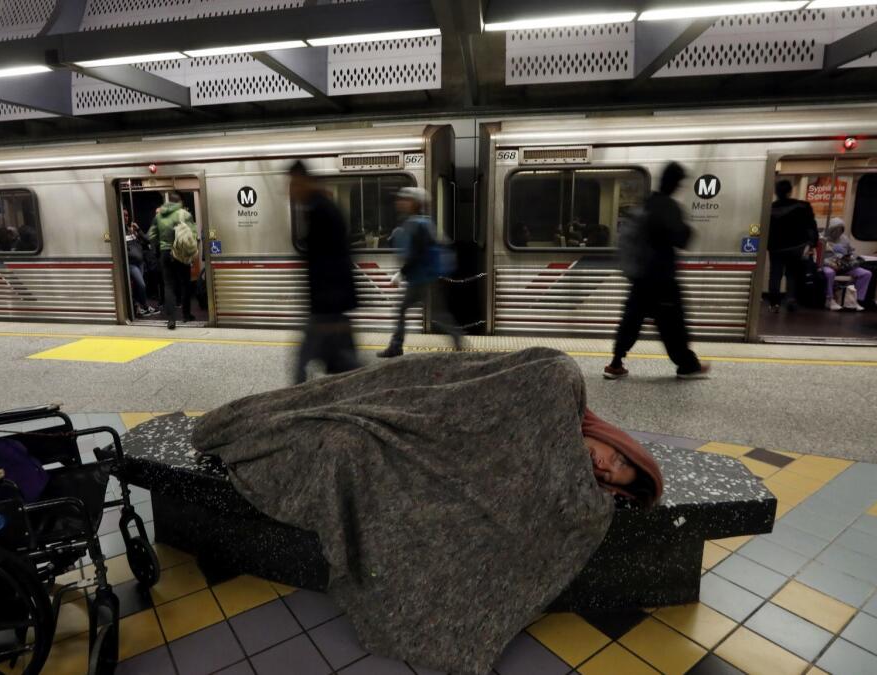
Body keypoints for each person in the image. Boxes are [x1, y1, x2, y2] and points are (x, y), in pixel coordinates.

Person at [192, 347, 662, 674]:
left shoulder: (558, 469)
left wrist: (590, 488)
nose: (601, 466)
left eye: (608, 478)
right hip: (412, 393)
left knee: (345, 447)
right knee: (327, 406)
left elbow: (544, 491)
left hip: (421, 445)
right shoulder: (561, 381)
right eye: (615, 458)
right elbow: (471, 399)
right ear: (615, 438)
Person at [606, 162, 710, 380]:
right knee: (673, 325)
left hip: (640, 277)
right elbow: (682, 238)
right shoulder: (668, 207)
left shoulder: (646, 203)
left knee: (631, 321)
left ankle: (616, 363)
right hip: (662, 279)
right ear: (676, 183)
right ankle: (688, 365)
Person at [288, 160, 359, 384]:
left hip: (327, 307)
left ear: (304, 181)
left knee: (307, 359)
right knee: (341, 362)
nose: (292, 190)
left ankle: (295, 399)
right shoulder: (320, 207)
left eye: (294, 184)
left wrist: (328, 309)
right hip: (329, 306)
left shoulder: (321, 210)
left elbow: (331, 262)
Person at [378, 187, 462, 358]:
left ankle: (396, 346)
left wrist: (400, 274)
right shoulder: (422, 222)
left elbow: (415, 253)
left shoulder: (417, 224)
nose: (400, 202)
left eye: (405, 199)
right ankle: (456, 338)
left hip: (423, 279)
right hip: (423, 278)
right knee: (436, 314)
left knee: (430, 314)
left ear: (416, 203)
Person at [766, 179, 819, 312]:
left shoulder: (770, 209)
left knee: (775, 274)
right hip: (797, 247)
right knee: (792, 274)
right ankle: (790, 299)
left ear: (776, 192)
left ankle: (774, 304)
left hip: (776, 248)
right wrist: (812, 243)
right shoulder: (802, 206)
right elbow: (812, 227)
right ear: (790, 191)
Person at [147, 195, 197, 329]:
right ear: (179, 202)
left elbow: (151, 235)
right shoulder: (185, 214)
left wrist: (158, 248)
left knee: (169, 286)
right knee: (185, 284)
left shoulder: (159, 216)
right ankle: (186, 315)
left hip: (165, 253)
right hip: (180, 252)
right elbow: (193, 234)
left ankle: (171, 320)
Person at [821, 218, 872, 311]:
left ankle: (855, 300)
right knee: (829, 273)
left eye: (840, 229)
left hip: (844, 265)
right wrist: (829, 263)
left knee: (866, 274)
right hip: (828, 264)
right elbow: (818, 257)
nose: (838, 232)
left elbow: (850, 252)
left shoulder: (844, 239)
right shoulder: (822, 239)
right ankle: (830, 299)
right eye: (835, 229)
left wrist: (851, 257)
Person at [123, 209, 154, 317]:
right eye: (123, 215)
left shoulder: (131, 230)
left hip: (140, 263)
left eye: (127, 215)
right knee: (141, 285)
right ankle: (143, 305)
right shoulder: (119, 232)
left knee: (137, 286)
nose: (126, 218)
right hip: (131, 264)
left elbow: (147, 240)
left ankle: (139, 307)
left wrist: (138, 230)